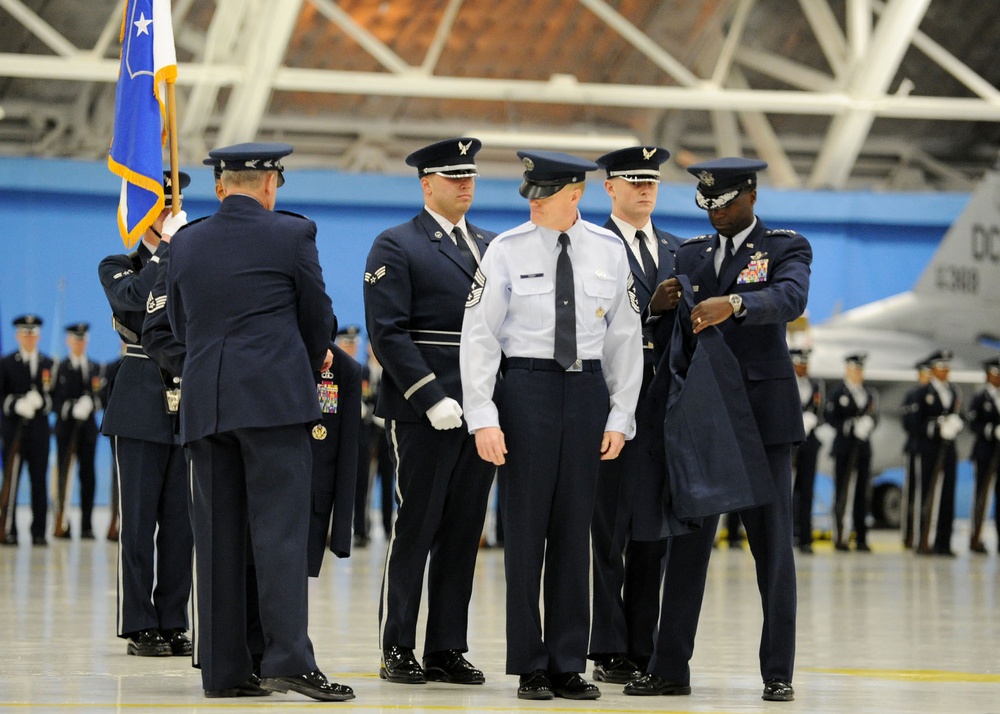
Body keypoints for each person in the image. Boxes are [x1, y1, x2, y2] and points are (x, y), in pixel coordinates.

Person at [165, 142, 350, 702]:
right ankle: (287, 660)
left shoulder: (186, 241)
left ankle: (224, 671)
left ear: (222, 185)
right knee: (280, 536)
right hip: (272, 402)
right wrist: (304, 355)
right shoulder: (293, 235)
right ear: (270, 183)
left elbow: (178, 325)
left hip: (207, 404)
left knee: (217, 541)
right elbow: (317, 318)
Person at [461, 150, 643, 701]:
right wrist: (483, 417)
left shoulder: (610, 253)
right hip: (526, 392)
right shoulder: (505, 251)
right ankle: (530, 663)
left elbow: (624, 340)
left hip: (586, 394)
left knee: (573, 533)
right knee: (524, 533)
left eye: (544, 196)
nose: (534, 204)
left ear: (574, 195)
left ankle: (568, 662)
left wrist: (620, 415)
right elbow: (480, 337)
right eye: (531, 196)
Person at [628, 157, 810, 702]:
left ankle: (778, 673)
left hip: (762, 420)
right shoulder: (689, 253)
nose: (718, 215)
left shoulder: (784, 247)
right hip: (705, 421)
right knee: (687, 550)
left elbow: (791, 299)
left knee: (772, 551)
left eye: (727, 204)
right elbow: (669, 326)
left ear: (751, 195)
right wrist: (655, 308)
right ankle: (669, 667)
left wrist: (735, 303)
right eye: (709, 206)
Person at [364, 137, 497, 687]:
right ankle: (397, 644)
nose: (464, 184)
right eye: (451, 176)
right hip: (427, 411)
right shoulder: (396, 245)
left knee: (465, 530)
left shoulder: (492, 246)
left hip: (481, 409)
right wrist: (429, 396)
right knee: (415, 527)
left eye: (469, 175)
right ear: (426, 184)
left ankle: (447, 646)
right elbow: (388, 333)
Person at [587, 145, 680, 683]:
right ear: (609, 188)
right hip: (608, 402)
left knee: (653, 531)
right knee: (606, 529)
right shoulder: (591, 246)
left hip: (662, 407)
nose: (644, 188)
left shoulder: (674, 248)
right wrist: (650, 311)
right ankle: (607, 645)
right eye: (632, 180)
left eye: (651, 180)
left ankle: (644, 643)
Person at [98, 171, 193, 658]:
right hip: (138, 400)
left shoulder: (193, 260)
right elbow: (134, 302)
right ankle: (139, 623)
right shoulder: (118, 264)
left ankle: (173, 618)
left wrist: (183, 252)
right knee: (137, 523)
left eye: (172, 207)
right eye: (158, 207)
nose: (167, 215)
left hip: (188, 403)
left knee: (182, 524)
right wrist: (165, 252)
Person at [0, 314, 54, 546]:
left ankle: (39, 531)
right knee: (11, 479)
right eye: (25, 333)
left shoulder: (48, 363)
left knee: (39, 481)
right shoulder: (6, 363)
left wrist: (42, 402)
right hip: (14, 432)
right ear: (18, 335)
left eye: (33, 333)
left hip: (39, 433)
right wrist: (16, 403)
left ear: (38, 335)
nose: (29, 337)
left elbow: (55, 397)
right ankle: (7, 527)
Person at [51, 322, 103, 540]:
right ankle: (61, 521)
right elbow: (54, 399)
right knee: (64, 475)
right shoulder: (60, 368)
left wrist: (92, 403)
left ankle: (87, 525)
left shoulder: (94, 368)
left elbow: (101, 396)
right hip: (66, 429)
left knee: (88, 477)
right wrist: (71, 408)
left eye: (83, 339)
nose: (80, 343)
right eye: (76, 339)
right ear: (68, 341)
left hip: (88, 431)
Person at [909, 350, 963, 556]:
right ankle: (923, 539)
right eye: (941, 368)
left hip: (949, 449)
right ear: (933, 370)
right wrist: (936, 425)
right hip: (929, 449)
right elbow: (915, 423)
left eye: (947, 368)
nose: (945, 372)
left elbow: (960, 416)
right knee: (926, 493)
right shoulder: (922, 393)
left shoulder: (954, 391)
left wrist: (956, 424)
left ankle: (944, 542)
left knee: (947, 495)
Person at [824, 353, 879, 552]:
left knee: (862, 493)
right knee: (843, 492)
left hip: (863, 449)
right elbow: (830, 416)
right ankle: (841, 535)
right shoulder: (838, 392)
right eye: (855, 369)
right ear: (847, 369)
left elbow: (874, 416)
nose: (858, 373)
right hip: (844, 448)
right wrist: (849, 426)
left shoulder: (869, 393)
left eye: (860, 369)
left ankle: (861, 537)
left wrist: (869, 424)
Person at [790, 348, 822, 554]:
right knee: (788, 490)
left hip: (809, 442)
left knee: (807, 490)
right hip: (790, 443)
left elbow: (820, 411)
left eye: (805, 363)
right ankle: (789, 533)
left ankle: (805, 537)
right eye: (800, 363)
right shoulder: (786, 383)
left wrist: (813, 420)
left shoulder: (814, 386)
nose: (803, 367)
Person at [967, 357, 1000, 554]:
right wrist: (990, 430)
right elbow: (973, 423)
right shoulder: (980, 398)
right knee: (982, 495)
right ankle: (976, 537)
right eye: (994, 374)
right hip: (985, 451)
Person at [900, 359, 932, 548]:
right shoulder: (913, 395)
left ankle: (924, 534)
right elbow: (909, 423)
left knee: (928, 493)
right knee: (913, 493)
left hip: (931, 450)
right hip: (915, 448)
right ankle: (909, 534)